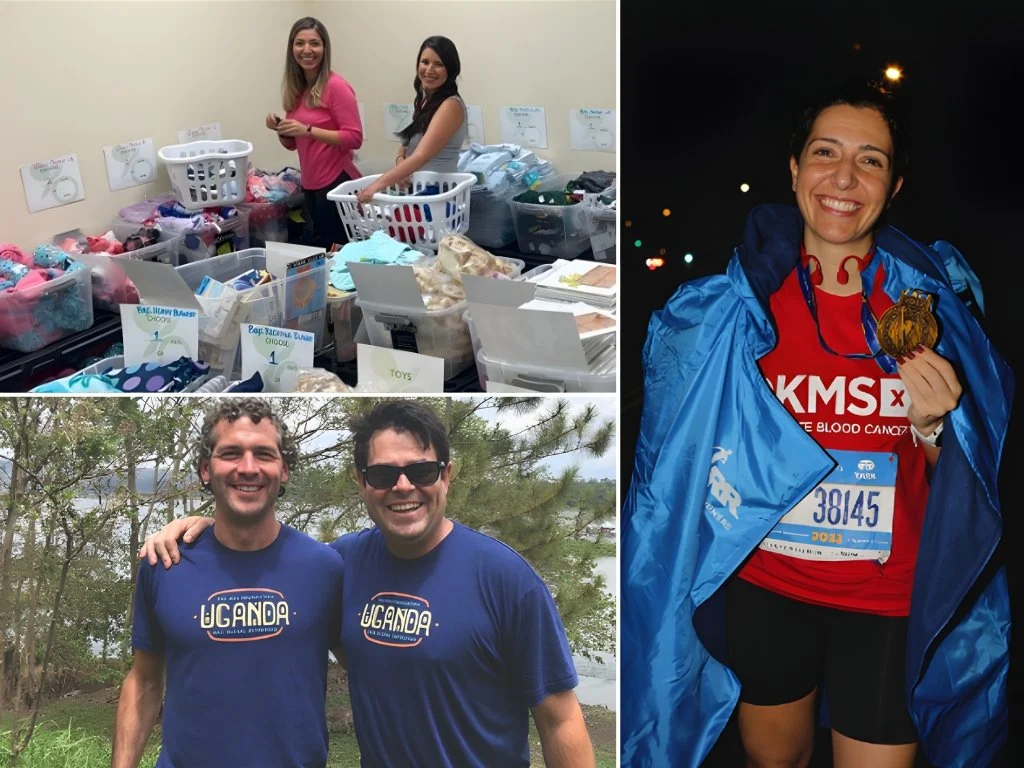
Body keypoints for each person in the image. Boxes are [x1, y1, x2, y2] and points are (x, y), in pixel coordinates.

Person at [621, 81, 1013, 768]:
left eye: (870, 160)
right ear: (795, 168)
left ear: (893, 187)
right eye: (826, 152)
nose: (844, 177)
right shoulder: (734, 311)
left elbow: (967, 488)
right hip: (767, 587)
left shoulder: (930, 310)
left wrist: (933, 430)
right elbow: (674, 470)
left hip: (887, 598)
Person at [141, 399, 595, 768]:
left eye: (421, 471)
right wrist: (201, 526)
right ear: (362, 482)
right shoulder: (338, 565)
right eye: (382, 475)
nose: (403, 486)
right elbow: (264, 555)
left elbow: (560, 720)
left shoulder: (505, 579)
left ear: (446, 475)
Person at [112, 399, 344, 768]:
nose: (248, 468)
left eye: (264, 454)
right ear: (206, 469)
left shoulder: (325, 568)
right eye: (231, 453)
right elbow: (144, 681)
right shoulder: (164, 563)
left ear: (284, 469)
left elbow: (369, 669)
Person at [267, 17, 363, 249]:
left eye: (314, 43)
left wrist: (309, 130)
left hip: (336, 181)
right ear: (292, 48)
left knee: (339, 251)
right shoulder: (298, 89)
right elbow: (294, 144)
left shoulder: (336, 86)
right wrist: (281, 130)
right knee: (324, 251)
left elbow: (354, 138)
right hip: (310, 184)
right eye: (300, 43)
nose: (307, 50)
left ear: (324, 48)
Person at [355, 36, 468, 205]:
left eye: (438, 64)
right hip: (417, 191)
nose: (429, 70)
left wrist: (375, 187)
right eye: (425, 62)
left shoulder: (451, 105)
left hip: (437, 196)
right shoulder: (426, 101)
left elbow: (421, 155)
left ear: (450, 69)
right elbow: (406, 145)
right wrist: (401, 162)